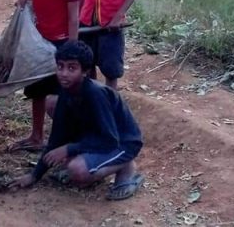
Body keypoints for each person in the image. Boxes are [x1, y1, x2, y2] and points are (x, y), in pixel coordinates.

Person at [9, 41, 144, 200]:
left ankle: (126, 167)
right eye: (60, 67)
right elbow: (56, 138)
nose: (64, 73)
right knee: (53, 105)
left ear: (85, 71)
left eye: (72, 68)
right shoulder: (66, 89)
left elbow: (109, 140)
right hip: (97, 136)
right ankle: (99, 164)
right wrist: (34, 176)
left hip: (122, 142)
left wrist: (68, 149)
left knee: (77, 170)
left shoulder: (96, 94)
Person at [9, 0, 80, 152]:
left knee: (61, 95)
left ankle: (65, 142)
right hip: (38, 40)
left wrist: (71, 49)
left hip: (60, 42)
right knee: (37, 89)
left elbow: (73, 15)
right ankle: (36, 136)